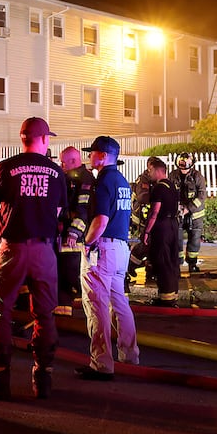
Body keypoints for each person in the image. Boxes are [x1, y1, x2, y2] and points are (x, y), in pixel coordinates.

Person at [0, 116, 66, 401]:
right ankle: (43, 377)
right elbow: (59, 213)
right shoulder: (56, 172)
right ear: (45, 139)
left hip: (11, 248)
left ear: (22, 137)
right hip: (43, 250)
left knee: (0, 313)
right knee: (45, 315)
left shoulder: (4, 168)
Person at [76, 136, 139, 379]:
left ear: (102, 156)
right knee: (119, 302)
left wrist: (88, 243)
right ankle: (130, 354)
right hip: (121, 248)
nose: (89, 157)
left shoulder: (102, 182)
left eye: (92, 153)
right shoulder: (122, 181)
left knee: (96, 304)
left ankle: (101, 363)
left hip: (102, 249)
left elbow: (100, 220)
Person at [56, 145, 95, 314]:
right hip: (64, 233)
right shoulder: (68, 178)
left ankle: (90, 307)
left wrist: (74, 231)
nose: (61, 166)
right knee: (62, 272)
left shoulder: (85, 179)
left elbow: (84, 208)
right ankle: (63, 310)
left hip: (75, 237)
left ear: (73, 161)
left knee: (70, 274)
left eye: (64, 163)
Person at [142, 158, 182, 306]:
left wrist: (146, 232)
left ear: (157, 170)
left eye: (150, 170)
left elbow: (154, 212)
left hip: (162, 227)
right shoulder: (172, 185)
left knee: (162, 261)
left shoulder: (158, 188)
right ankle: (172, 295)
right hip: (173, 225)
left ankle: (165, 298)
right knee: (172, 260)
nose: (148, 173)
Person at [171, 151, 214, 277]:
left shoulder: (198, 176)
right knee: (177, 240)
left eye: (186, 168)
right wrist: (177, 207)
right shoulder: (173, 175)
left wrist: (188, 208)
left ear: (192, 166)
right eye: (181, 168)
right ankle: (177, 266)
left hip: (195, 215)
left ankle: (192, 264)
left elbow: (201, 195)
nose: (183, 171)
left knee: (194, 241)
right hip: (178, 214)